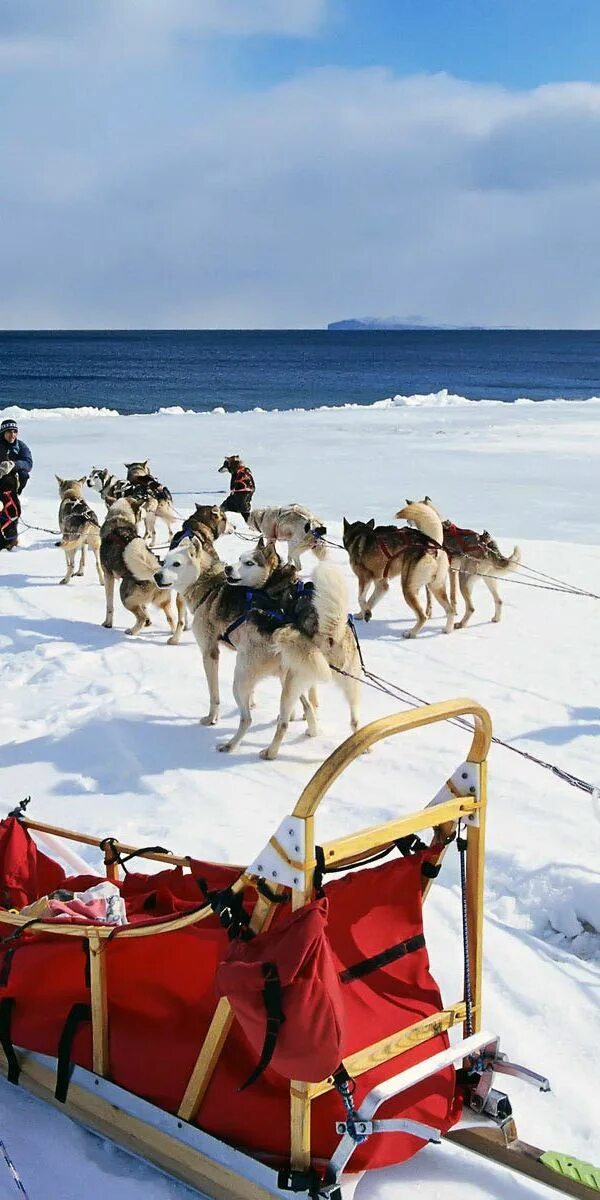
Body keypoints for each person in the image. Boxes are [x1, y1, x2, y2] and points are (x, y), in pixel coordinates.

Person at [0, 419, 33, 550]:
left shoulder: (21, 446)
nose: (12, 435)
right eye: (9, 432)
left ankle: (11, 540)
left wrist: (14, 465)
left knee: (12, 510)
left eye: (14, 432)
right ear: (3, 433)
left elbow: (28, 463)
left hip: (12, 484)